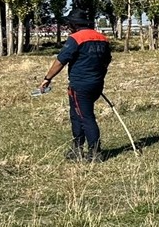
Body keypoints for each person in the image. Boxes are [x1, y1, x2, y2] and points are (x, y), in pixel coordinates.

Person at [37, 9, 112, 162]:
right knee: (76, 115)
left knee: (85, 117)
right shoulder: (102, 38)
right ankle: (77, 148)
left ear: (74, 24)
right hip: (97, 83)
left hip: (80, 85)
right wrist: (98, 74)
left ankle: (95, 152)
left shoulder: (76, 38)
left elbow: (61, 61)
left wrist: (47, 78)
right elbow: (107, 60)